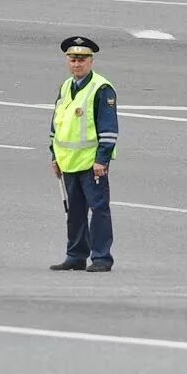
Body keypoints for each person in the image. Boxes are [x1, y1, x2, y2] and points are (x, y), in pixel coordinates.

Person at [48, 36, 119, 273]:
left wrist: (102, 159)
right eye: (72, 59)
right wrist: (54, 156)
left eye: (81, 59)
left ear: (91, 61)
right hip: (68, 162)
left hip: (91, 163)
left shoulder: (101, 89)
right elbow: (57, 123)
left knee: (98, 210)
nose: (76, 64)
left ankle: (101, 257)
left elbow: (109, 129)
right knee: (75, 211)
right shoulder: (66, 86)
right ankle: (76, 255)